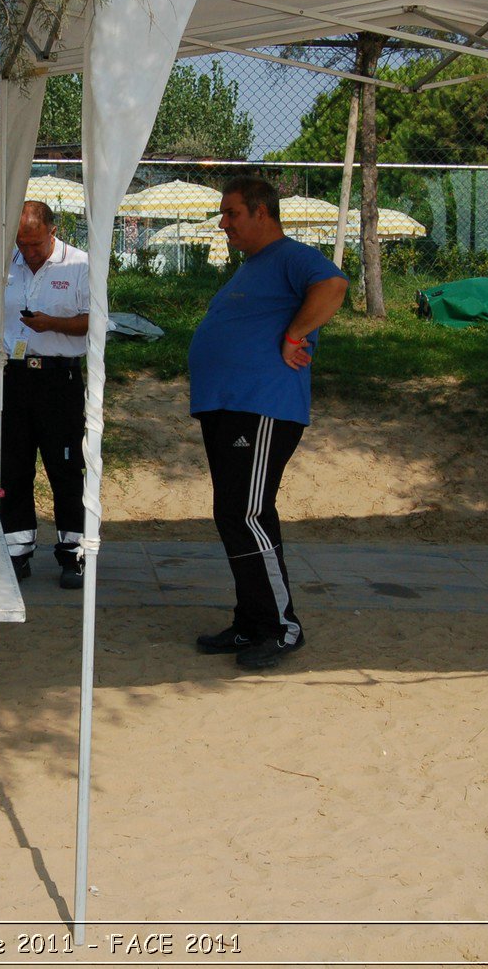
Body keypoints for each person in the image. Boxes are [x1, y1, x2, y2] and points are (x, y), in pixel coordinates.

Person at [189, 176, 348, 670]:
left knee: (249, 515)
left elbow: (334, 284)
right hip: (229, 405)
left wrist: (296, 333)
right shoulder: (253, 268)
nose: (224, 223)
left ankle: (282, 627)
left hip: (261, 407)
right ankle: (252, 622)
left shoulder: (290, 256)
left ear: (262, 212)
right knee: (232, 515)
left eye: (232, 213)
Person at [0, 201, 89, 589]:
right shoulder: (4, 265)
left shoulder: (80, 264)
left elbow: (94, 320)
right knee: (13, 465)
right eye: (23, 243)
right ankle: (16, 551)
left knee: (65, 466)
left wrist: (51, 324)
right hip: (14, 376)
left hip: (60, 379)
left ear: (54, 230)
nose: (29, 252)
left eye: (36, 243)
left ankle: (74, 552)